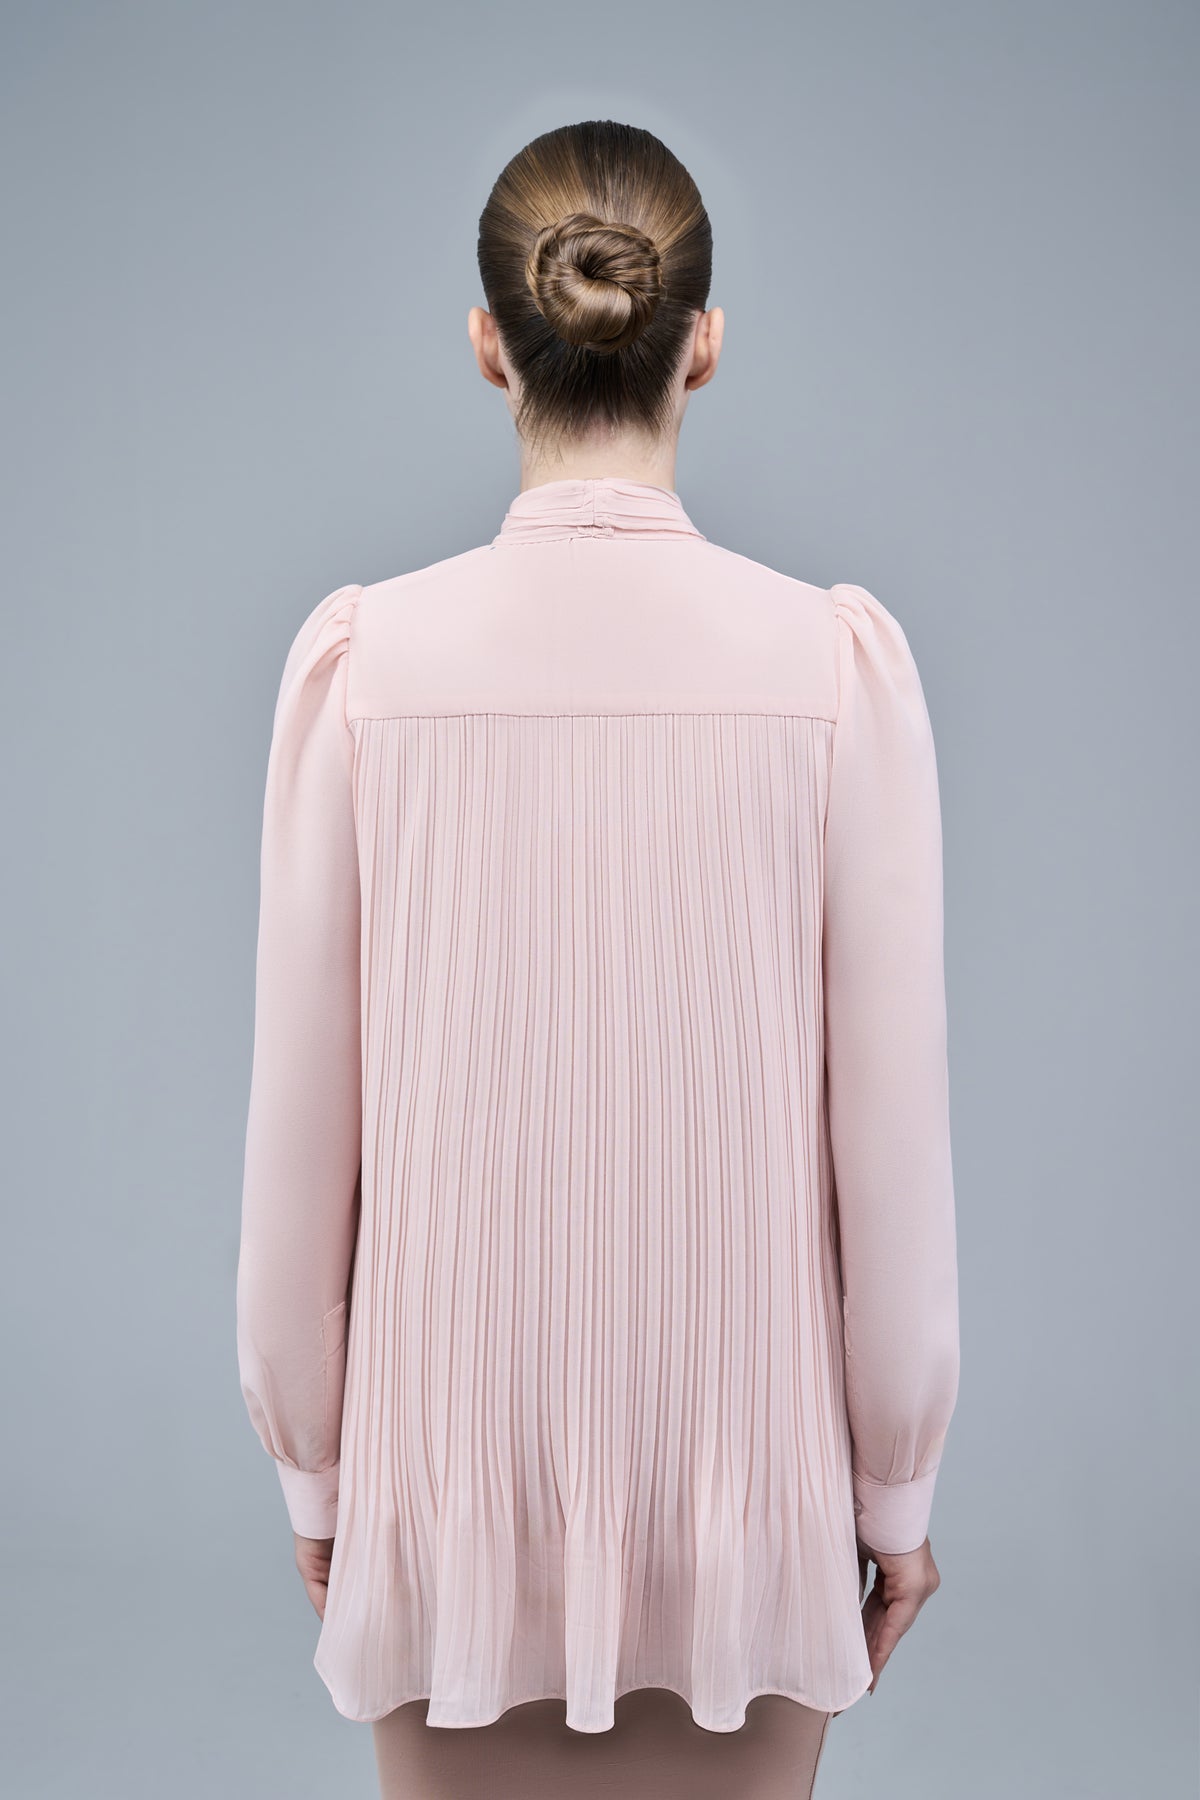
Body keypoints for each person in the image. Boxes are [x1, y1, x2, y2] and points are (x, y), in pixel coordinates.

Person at [235, 118, 960, 1800]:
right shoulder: (834, 669)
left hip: (448, 1500)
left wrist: (320, 1485)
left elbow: (299, 1151)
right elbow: (892, 1158)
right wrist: (895, 1498)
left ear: (490, 344)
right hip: (751, 1511)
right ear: (704, 342)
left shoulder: (364, 668)